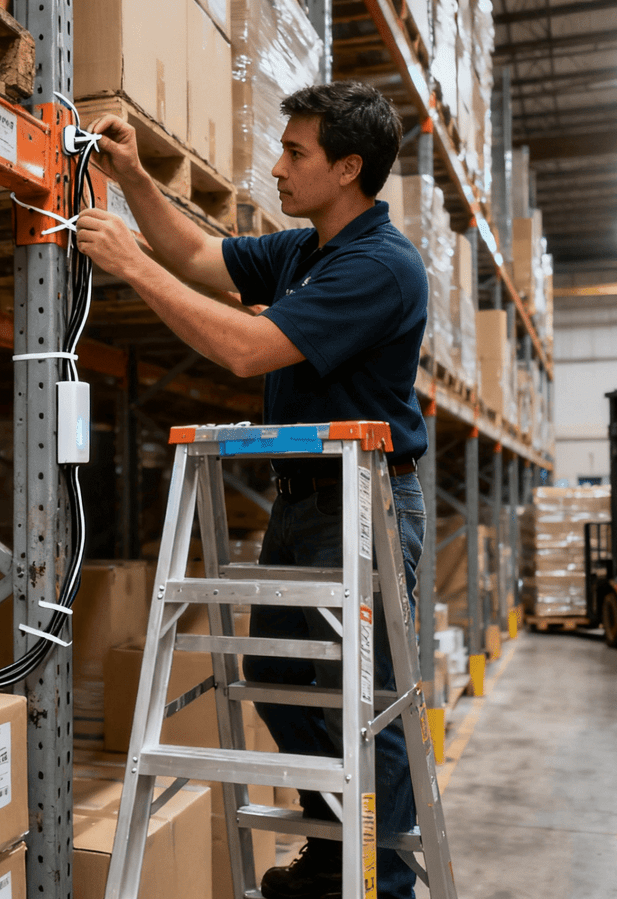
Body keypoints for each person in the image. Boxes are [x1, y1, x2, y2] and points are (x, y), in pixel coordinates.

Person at [76, 81, 428, 899]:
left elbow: (246, 350)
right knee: (272, 667)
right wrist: (133, 179)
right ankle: (338, 840)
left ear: (348, 168)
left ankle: (385, 880)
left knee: (363, 707)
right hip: (302, 500)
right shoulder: (302, 250)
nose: (276, 165)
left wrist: (128, 264)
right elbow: (200, 256)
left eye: (295, 152)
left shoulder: (380, 265)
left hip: (363, 502)